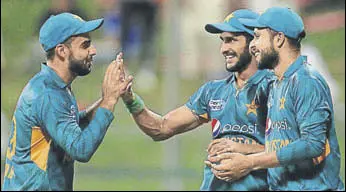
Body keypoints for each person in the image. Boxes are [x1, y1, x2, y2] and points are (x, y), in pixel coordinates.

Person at [121, 9, 274, 191]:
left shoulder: (276, 88)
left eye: (232, 40)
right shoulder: (213, 91)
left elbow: (303, 150)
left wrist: (244, 150)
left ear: (254, 43)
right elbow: (161, 128)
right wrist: (130, 100)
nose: (224, 49)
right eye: (223, 41)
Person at [205, 7, 345, 191]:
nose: (252, 45)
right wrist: (241, 148)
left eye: (258, 37)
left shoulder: (306, 81)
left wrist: (249, 162)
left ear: (278, 39)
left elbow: (312, 145)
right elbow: (285, 145)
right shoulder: (277, 83)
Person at [2, 13, 133, 191]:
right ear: (62, 51)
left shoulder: (55, 86)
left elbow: (69, 125)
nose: (93, 50)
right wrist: (108, 101)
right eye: (85, 45)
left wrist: (109, 97)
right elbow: (81, 149)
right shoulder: (48, 95)